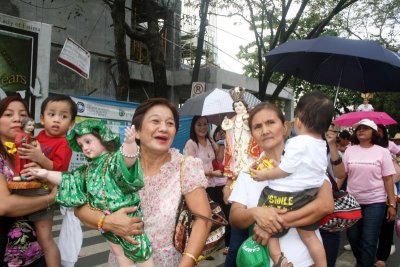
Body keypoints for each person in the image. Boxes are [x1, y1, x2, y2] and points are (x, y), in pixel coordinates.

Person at [74, 98, 212, 266]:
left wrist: (186, 263)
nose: (164, 128)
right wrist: (107, 222)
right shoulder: (114, 163)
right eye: (155, 121)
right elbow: (81, 207)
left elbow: (203, 219)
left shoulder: (186, 166)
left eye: (170, 123)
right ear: (137, 131)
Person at [28, 119, 153, 267]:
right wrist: (46, 173)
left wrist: (130, 144)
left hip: (128, 217)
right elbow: (69, 178)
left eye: (88, 141)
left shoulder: (112, 160)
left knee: (140, 251)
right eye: (81, 145)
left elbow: (127, 162)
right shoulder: (87, 170)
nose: (85, 148)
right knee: (118, 251)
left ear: (102, 138)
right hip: (107, 221)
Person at [229, 102, 334, 266]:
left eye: (271, 122)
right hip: (263, 262)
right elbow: (235, 217)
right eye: (257, 127)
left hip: (306, 261)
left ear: (285, 127)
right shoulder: (249, 172)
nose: (265, 131)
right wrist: (255, 213)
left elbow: (325, 205)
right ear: (253, 134)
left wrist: (270, 225)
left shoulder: (307, 162)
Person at [0, 96, 56, 266]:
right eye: (8, 114)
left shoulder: (33, 150)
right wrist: (50, 199)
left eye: (22, 114)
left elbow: (56, 182)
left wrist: (42, 162)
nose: (17, 118)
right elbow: (4, 205)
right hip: (8, 258)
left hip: (37, 253)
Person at [343, 119, 396, 267]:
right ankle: (362, 260)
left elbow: (388, 179)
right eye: (358, 128)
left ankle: (365, 263)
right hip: (352, 201)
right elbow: (342, 175)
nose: (360, 130)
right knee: (353, 237)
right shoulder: (349, 150)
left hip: (376, 203)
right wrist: (334, 193)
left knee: (369, 239)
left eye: (365, 128)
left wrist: (391, 204)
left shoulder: (383, 152)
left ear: (373, 132)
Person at [221, 87, 261, 267]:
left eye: (240, 104)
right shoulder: (231, 122)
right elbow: (229, 144)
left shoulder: (249, 122)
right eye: (235, 105)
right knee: (237, 245)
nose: (238, 108)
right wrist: (227, 185)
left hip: (250, 162)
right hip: (238, 165)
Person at [184, 116, 229, 257]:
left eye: (205, 124)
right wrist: (210, 173)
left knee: (223, 214)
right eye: (199, 125)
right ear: (194, 127)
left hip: (215, 185)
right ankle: (201, 249)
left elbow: (220, 158)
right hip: (201, 187)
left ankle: (224, 244)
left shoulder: (210, 141)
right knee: (205, 219)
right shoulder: (191, 144)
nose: (203, 127)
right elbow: (189, 168)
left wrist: (222, 141)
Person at [320, 123, 346, 267]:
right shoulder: (302, 146)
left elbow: (340, 174)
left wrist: (332, 145)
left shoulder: (334, 151)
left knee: (328, 256)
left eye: (332, 130)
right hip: (305, 206)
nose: (327, 133)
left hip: (328, 207)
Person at [374, 124, 400, 267]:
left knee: (386, 225)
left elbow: (399, 153)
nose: (377, 134)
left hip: (388, 191)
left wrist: (396, 162)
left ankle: (382, 257)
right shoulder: (360, 147)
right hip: (369, 194)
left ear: (383, 133)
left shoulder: (389, 145)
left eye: (379, 131)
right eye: (375, 131)